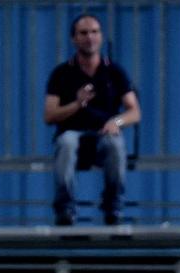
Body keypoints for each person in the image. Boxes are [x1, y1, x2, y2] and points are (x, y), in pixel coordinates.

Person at [44, 14, 140, 225]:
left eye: (95, 32)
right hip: (72, 134)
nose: (90, 37)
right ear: (73, 39)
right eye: (84, 33)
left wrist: (117, 122)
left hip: (103, 134)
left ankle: (113, 207)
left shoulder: (114, 71)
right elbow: (49, 115)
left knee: (116, 144)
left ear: (101, 36)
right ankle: (65, 209)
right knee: (67, 143)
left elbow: (134, 111)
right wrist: (77, 104)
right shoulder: (61, 73)